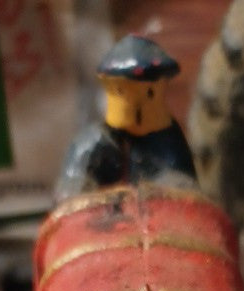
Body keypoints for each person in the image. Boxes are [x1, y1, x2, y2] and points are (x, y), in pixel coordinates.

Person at [56, 35, 197, 199]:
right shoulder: (92, 143)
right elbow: (69, 192)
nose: (137, 105)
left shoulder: (169, 141)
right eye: (121, 92)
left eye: (150, 93)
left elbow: (184, 188)